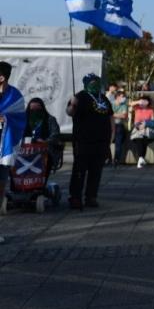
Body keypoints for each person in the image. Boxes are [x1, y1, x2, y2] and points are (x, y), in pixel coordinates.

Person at [66, 73, 112, 209]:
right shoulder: (79, 96)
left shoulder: (103, 98)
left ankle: (91, 196)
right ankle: (75, 197)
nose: (95, 85)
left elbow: (110, 117)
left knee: (96, 171)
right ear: (86, 83)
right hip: (83, 141)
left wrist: (111, 138)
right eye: (92, 82)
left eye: (97, 82)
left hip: (101, 142)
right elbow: (69, 112)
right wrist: (72, 105)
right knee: (79, 170)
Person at [0, 61, 27, 228]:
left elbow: (20, 119)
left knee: (0, 189)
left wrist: (6, 119)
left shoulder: (15, 96)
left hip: (4, 150)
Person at [129, 96, 154, 168]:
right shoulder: (137, 108)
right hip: (137, 129)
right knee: (139, 139)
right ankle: (141, 159)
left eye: (145, 101)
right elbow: (130, 104)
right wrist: (138, 102)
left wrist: (145, 123)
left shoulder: (150, 110)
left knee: (143, 140)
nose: (143, 102)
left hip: (147, 130)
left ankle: (140, 159)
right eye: (142, 101)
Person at [110, 86, 128, 166]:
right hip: (110, 125)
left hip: (119, 126)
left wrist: (114, 114)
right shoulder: (111, 104)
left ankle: (116, 159)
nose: (123, 98)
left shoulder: (124, 105)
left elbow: (124, 116)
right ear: (117, 97)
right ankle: (109, 159)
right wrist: (117, 115)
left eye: (124, 97)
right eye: (122, 97)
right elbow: (109, 115)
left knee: (118, 143)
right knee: (107, 143)